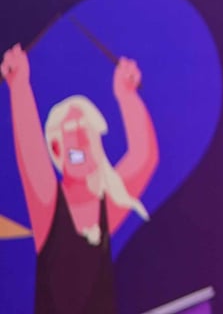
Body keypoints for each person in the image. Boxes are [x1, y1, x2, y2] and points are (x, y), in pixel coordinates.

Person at [2, 44, 158, 314]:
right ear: (56, 149)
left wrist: (127, 96)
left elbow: (144, 157)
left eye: (88, 128)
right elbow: (30, 151)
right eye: (72, 128)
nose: (82, 137)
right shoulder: (48, 206)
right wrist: (19, 86)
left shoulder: (107, 202)